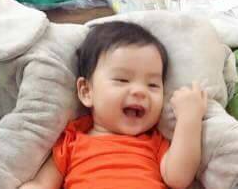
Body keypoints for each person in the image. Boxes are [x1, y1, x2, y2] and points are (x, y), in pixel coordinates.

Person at [20, 21, 207, 189]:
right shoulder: (71, 141)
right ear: (86, 91)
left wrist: (189, 118)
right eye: (122, 80)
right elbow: (42, 184)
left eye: (153, 85)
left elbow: (179, 178)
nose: (140, 91)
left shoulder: (154, 142)